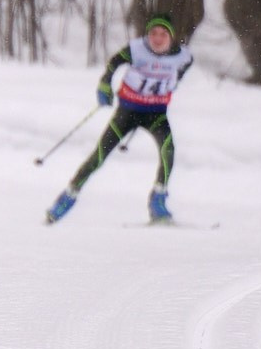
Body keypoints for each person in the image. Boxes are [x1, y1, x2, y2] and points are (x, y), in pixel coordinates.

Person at [48, 15, 194, 225]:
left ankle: (158, 202)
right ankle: (67, 197)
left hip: (156, 114)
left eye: (163, 34)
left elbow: (182, 68)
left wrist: (173, 81)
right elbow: (114, 63)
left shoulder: (183, 57)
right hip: (128, 112)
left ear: (171, 37)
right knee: (99, 156)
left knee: (168, 151)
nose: (157, 38)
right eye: (153, 33)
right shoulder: (136, 50)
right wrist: (104, 85)